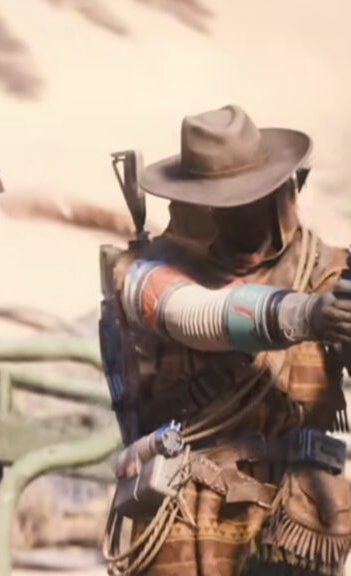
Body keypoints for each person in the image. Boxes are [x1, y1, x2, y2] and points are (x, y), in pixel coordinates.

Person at [100, 104, 351, 576]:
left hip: (293, 521)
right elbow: (198, 314)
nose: (241, 222)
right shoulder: (144, 274)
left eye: (251, 202)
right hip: (182, 515)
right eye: (226, 207)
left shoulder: (329, 271)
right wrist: (307, 314)